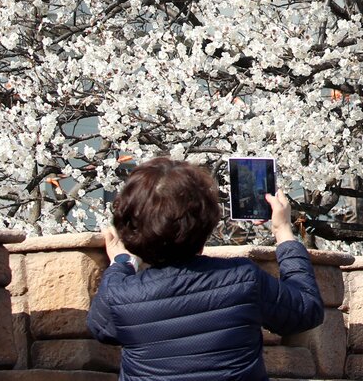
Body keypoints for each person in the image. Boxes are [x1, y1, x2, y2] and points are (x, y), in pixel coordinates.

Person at [87, 157, 325, 381]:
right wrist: (283, 230)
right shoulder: (242, 279)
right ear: (207, 221)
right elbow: (306, 309)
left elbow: (101, 328)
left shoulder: (121, 294)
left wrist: (122, 262)